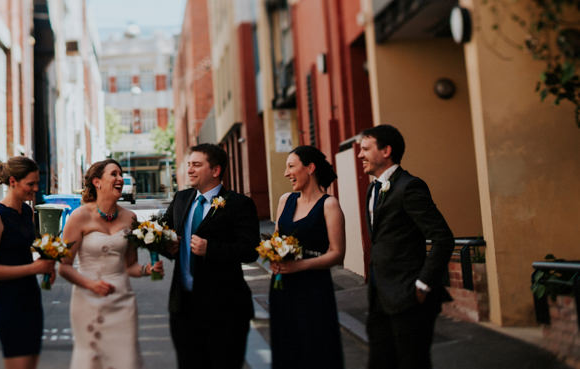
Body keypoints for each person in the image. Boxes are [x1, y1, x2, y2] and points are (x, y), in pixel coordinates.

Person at [359, 124, 454, 369]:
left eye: (366, 149)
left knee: (413, 363)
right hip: (379, 297)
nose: (360, 155)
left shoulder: (410, 187)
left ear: (386, 151)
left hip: (409, 298)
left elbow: (442, 237)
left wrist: (423, 284)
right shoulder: (372, 188)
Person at [58, 158, 163, 369]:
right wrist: (90, 285)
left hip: (122, 301)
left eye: (120, 174)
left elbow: (129, 266)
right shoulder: (79, 217)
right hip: (88, 300)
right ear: (97, 182)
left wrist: (147, 269)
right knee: (91, 360)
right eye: (113, 174)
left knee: (126, 360)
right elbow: (64, 267)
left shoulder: (130, 218)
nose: (119, 179)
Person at [162, 143, 260, 369]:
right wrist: (166, 245)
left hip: (225, 309)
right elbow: (162, 233)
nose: (190, 170)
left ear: (215, 171)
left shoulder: (240, 204)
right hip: (183, 309)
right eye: (189, 165)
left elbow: (250, 250)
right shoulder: (181, 199)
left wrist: (211, 249)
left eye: (197, 165)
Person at [269, 145, 346, 369]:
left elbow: (337, 253)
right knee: (286, 348)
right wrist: (272, 254)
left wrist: (300, 266)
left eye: (291, 166)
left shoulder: (329, 204)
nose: (286, 173)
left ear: (310, 168)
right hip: (281, 287)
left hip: (313, 289)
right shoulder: (285, 200)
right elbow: (276, 239)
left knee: (316, 350)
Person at [0, 156, 56, 369]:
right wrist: (34, 268)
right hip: (9, 302)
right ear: (12, 182)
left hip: (31, 298)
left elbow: (25, 251)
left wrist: (46, 261)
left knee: (30, 364)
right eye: (30, 184)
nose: (35, 189)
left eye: (36, 183)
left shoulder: (28, 212)